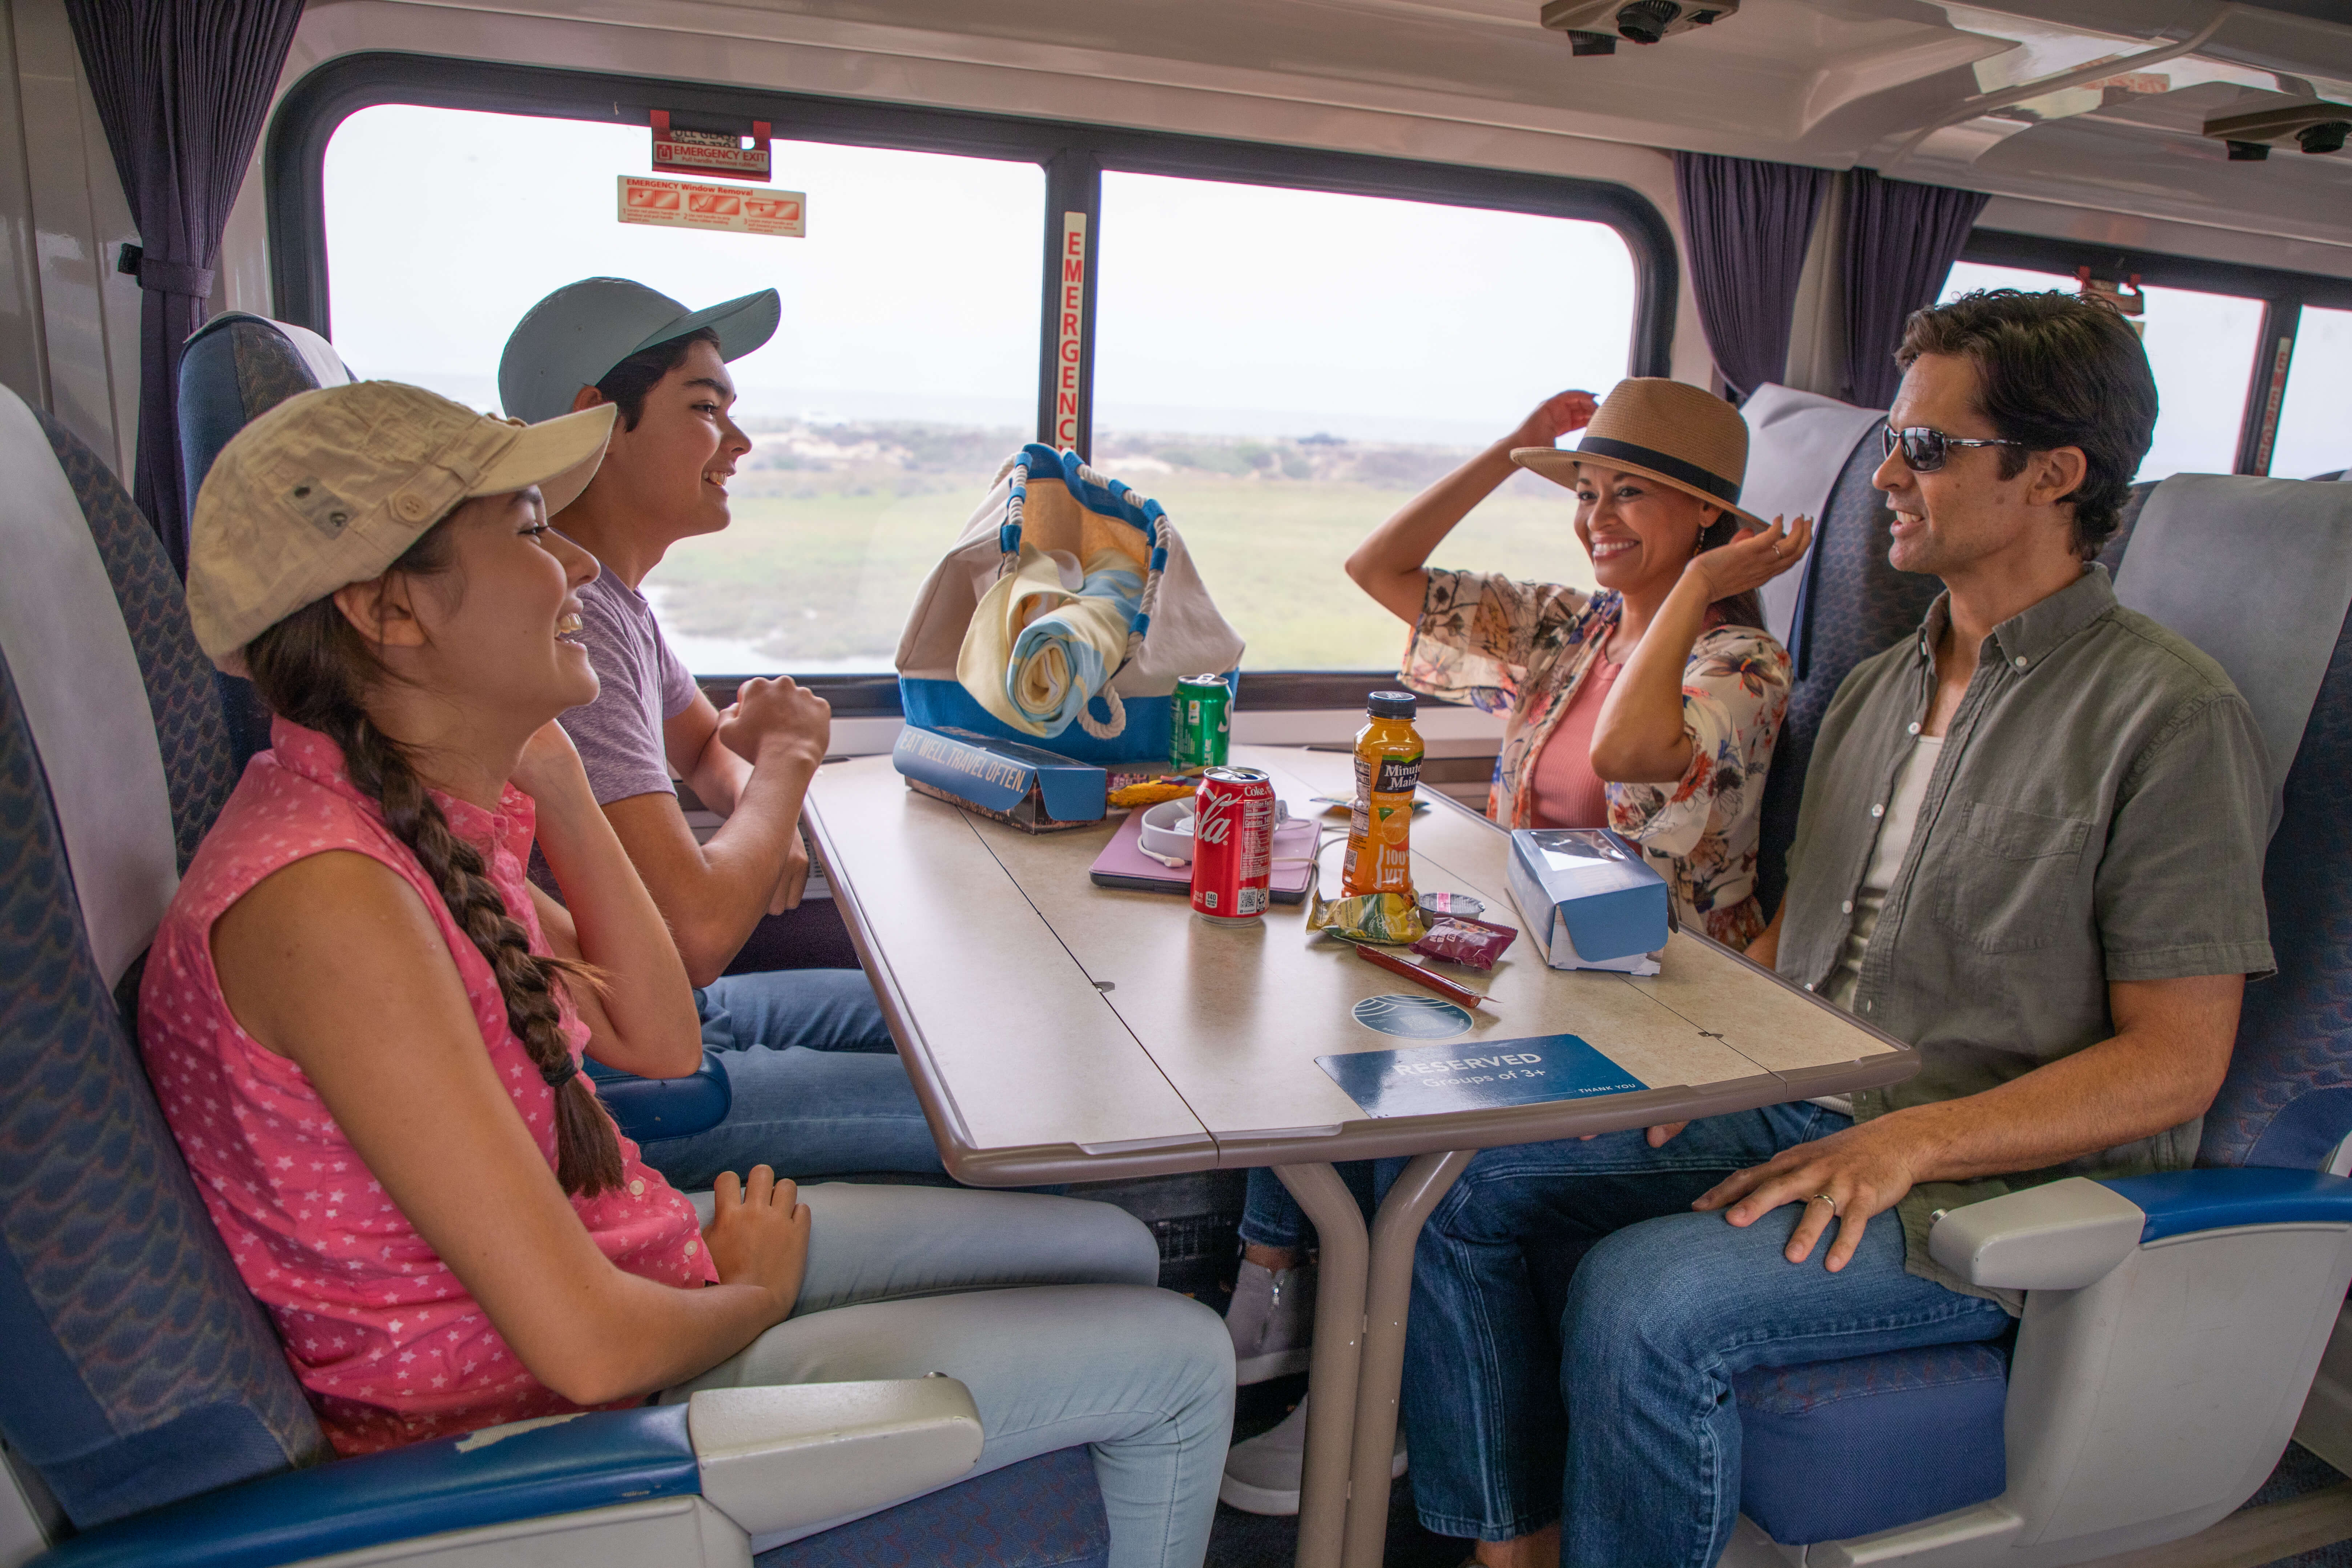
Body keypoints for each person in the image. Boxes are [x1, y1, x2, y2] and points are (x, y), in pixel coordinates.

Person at [142, 382, 1233, 1567]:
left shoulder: (404, 817)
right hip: (539, 1431)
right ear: (385, 608)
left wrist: (555, 771)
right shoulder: (332, 904)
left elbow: (661, 1039)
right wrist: (751, 1296)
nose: (572, 562)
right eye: (526, 528)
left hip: (624, 1267)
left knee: (1113, 1251)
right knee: (1182, 1362)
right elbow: (588, 1348)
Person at [1398, 289, 2273, 1567]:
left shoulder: (2169, 717)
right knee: (1453, 1178)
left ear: (2054, 474)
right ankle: (1512, 1545)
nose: (1888, 480)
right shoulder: (1875, 688)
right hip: (1812, 1100)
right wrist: (1705, 1057)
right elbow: (1804, 940)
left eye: (1927, 448)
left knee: (1642, 1298)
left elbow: (2177, 1063)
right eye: (1893, 446)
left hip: (1987, 1170)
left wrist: (1912, 1139)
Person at [1219, 379, 1813, 1513]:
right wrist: (1510, 451)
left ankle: (1389, 1420)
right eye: (1585, 492)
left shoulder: (1740, 665)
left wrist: (1694, 590)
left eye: (1630, 494)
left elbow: (1634, 751)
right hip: (1534, 962)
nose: (1597, 518)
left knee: (1419, 1152)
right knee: (1310, 1013)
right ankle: (1280, 1299)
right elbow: (1381, 568)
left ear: (1708, 517)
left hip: (1656, 996)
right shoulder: (1574, 630)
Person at [497, 279, 938, 1188]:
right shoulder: (576, 620)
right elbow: (694, 932)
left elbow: (705, 751)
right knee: (992, 1104)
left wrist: (757, 819)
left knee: (951, 1027)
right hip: (618, 1071)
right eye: (705, 409)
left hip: (665, 1010)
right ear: (593, 421)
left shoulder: (617, 606)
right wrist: (788, 763)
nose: (738, 442)